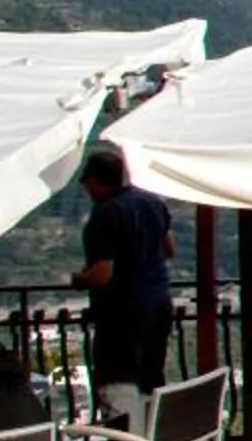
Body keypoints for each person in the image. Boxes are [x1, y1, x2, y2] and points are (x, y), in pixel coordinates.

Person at [69, 142, 175, 420]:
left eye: (86, 182)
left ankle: (126, 440)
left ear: (95, 180)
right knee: (150, 377)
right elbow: (169, 249)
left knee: (117, 383)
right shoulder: (152, 203)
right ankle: (152, 435)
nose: (86, 188)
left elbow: (102, 275)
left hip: (122, 312)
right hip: (159, 304)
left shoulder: (105, 215)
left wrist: (78, 279)